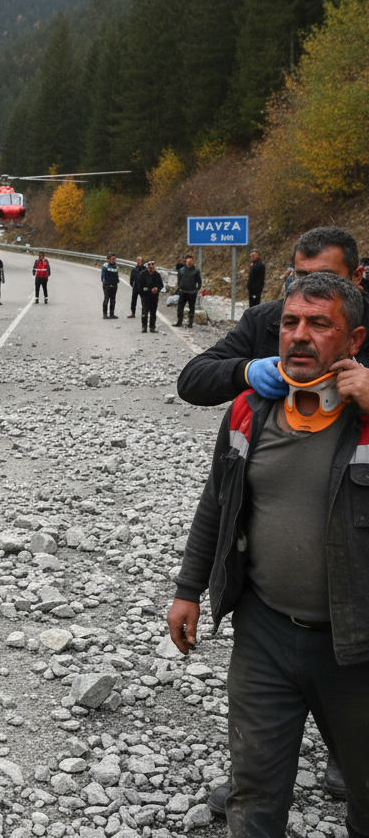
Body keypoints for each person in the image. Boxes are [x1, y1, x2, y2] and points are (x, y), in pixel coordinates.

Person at [167, 272, 369, 837]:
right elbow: (217, 502)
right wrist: (188, 589)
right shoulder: (249, 410)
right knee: (253, 790)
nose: (299, 335)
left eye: (319, 324)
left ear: (354, 340)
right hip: (264, 635)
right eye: (290, 323)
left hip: (357, 648)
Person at [177, 227, 369, 409]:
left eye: (326, 278)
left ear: (357, 276)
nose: (312, 287)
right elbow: (192, 380)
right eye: (302, 276)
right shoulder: (263, 319)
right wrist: (245, 372)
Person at [174, 255, 201, 328]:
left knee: (191, 308)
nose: (189, 263)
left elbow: (199, 282)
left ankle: (190, 323)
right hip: (183, 292)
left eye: (190, 261)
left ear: (192, 262)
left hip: (192, 293)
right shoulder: (181, 271)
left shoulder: (196, 271)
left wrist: (196, 290)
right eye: (188, 261)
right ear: (185, 262)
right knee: (180, 308)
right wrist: (179, 289)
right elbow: (179, 281)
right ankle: (179, 322)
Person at [137, 260, 163, 333]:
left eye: (152, 265)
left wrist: (157, 289)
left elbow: (161, 285)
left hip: (154, 297)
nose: (151, 267)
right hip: (145, 296)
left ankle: (152, 327)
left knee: (153, 312)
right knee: (145, 312)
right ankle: (144, 327)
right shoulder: (143, 274)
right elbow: (139, 286)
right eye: (149, 265)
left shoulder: (157, 275)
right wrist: (145, 292)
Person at [100, 252, 119, 319]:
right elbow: (102, 276)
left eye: (114, 259)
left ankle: (112, 314)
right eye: (111, 259)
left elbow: (116, 275)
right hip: (107, 285)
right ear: (108, 259)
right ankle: (105, 314)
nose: (113, 260)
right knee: (106, 299)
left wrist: (116, 282)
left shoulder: (115, 266)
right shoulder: (105, 266)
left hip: (114, 285)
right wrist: (105, 282)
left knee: (113, 300)